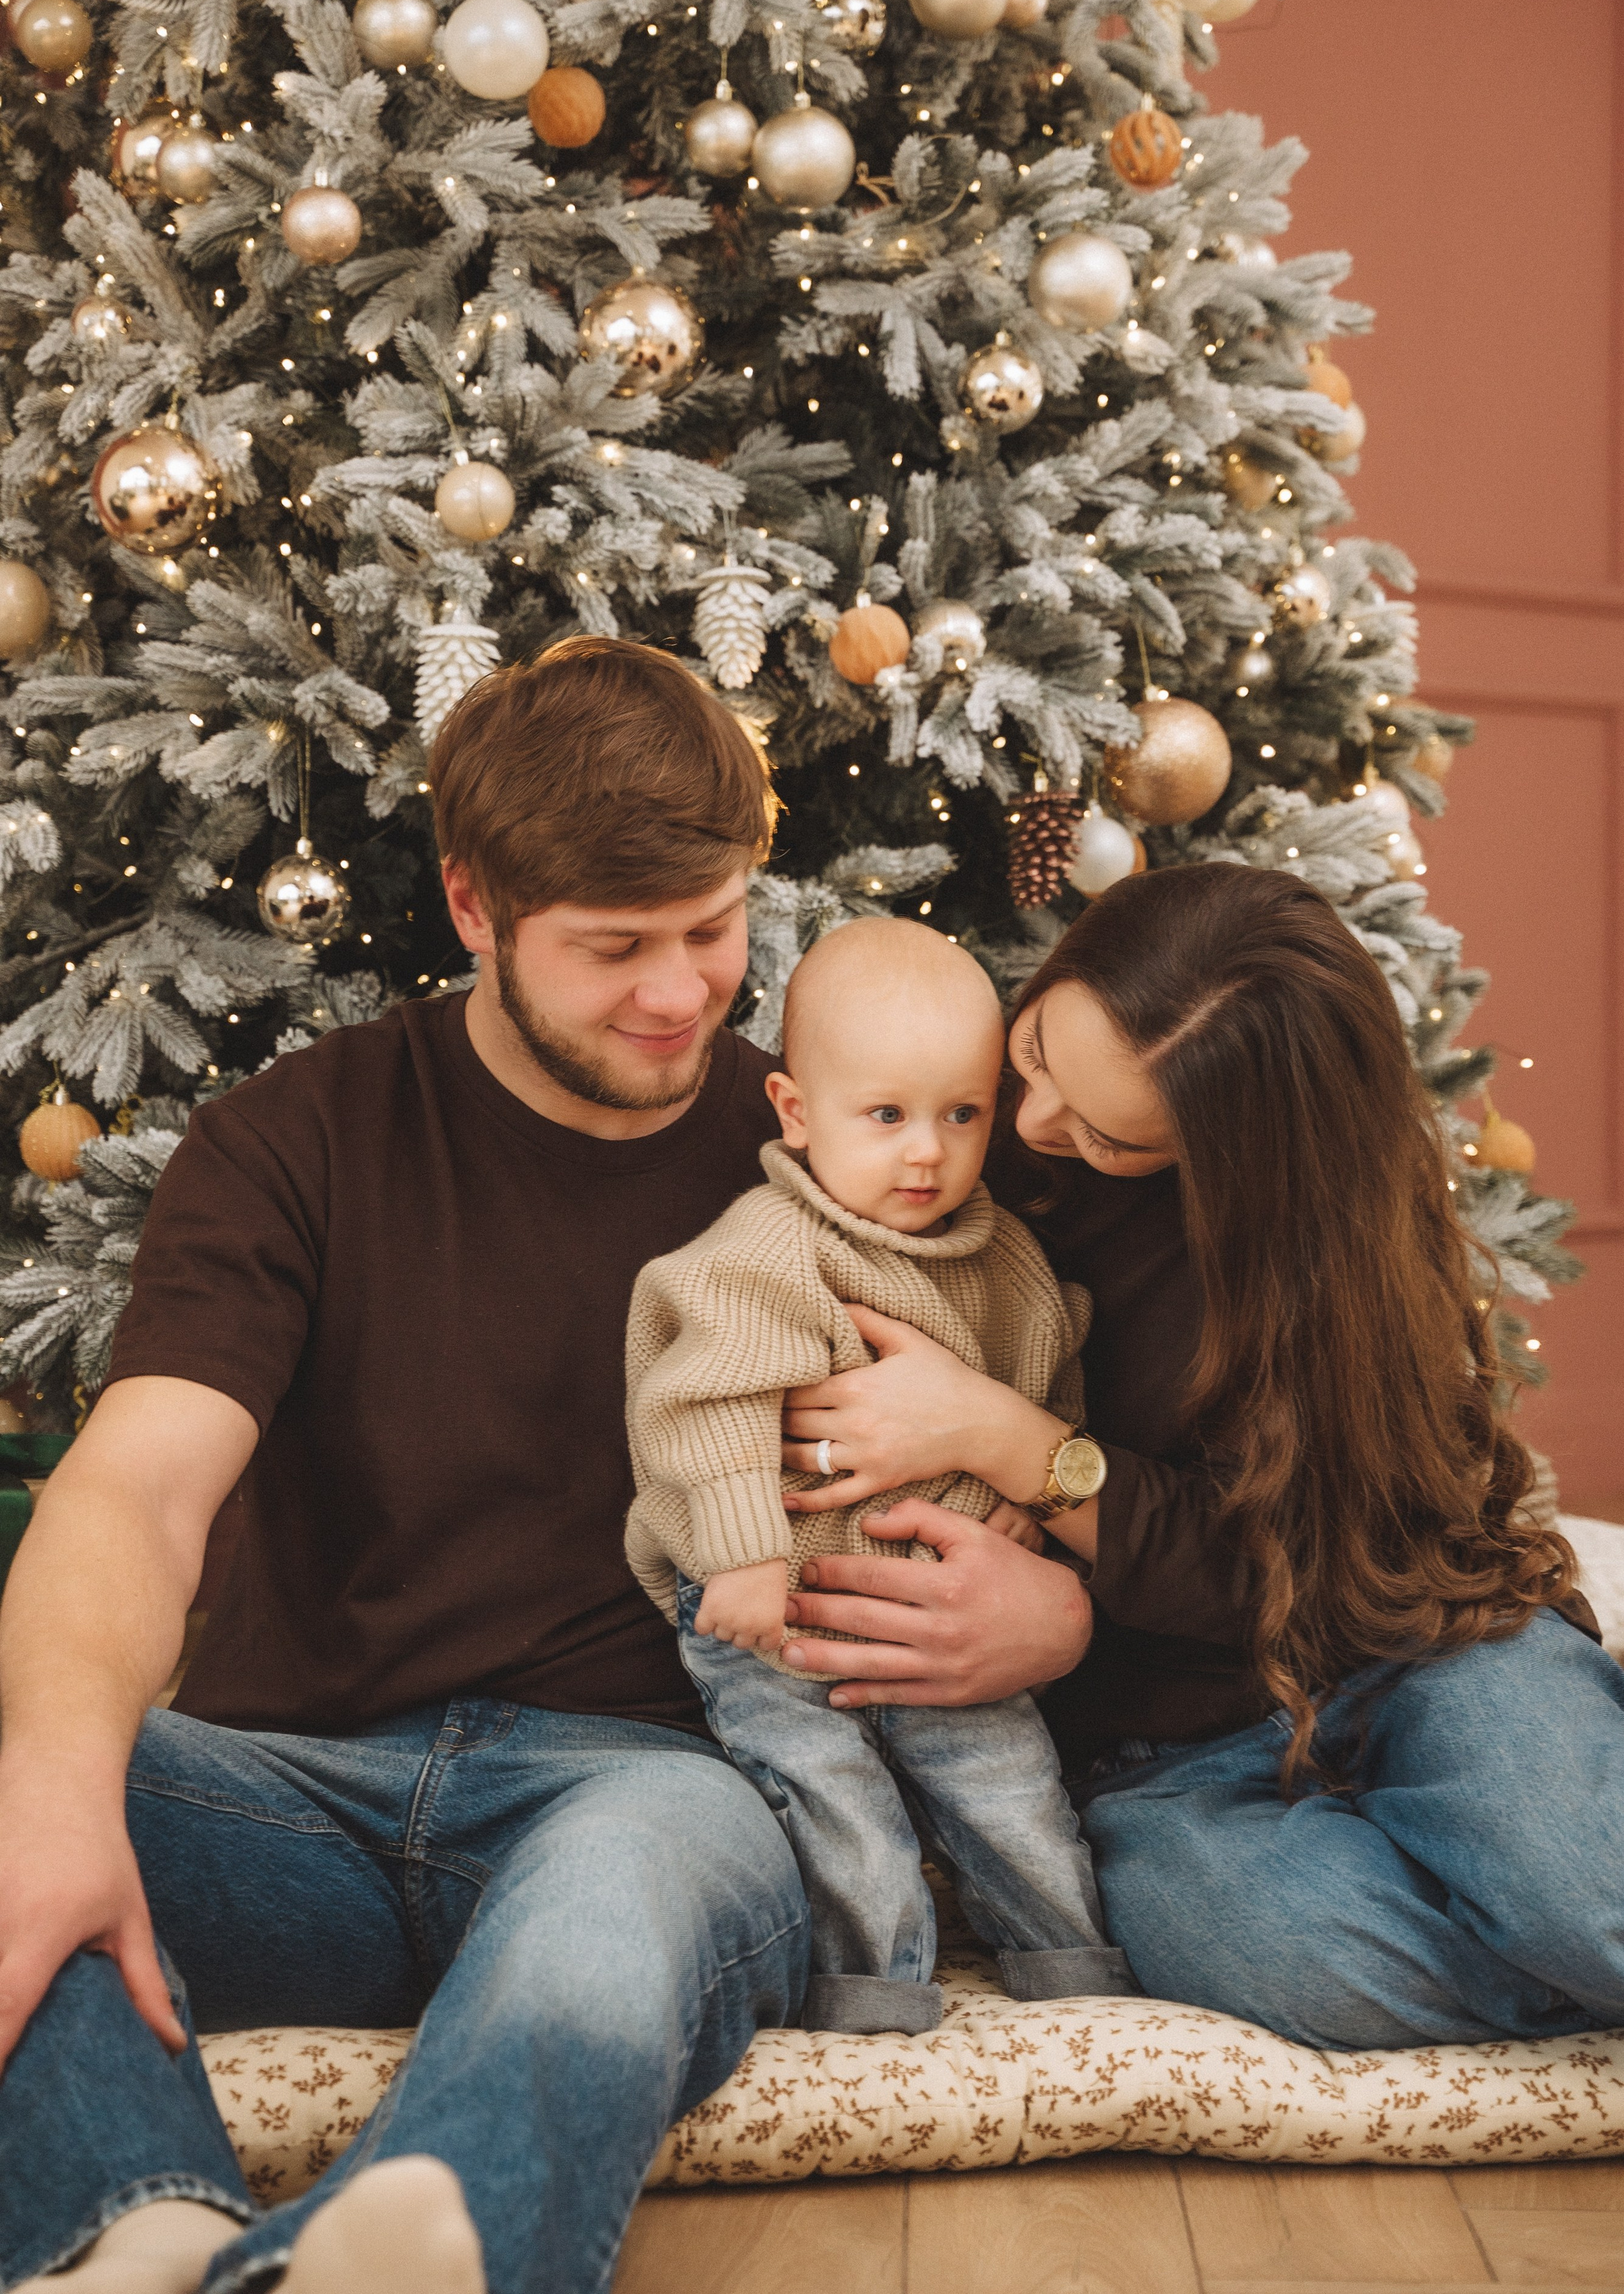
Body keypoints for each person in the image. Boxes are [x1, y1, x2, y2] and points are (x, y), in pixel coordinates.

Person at [0, 639, 811, 2294]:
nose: (678, 992)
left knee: (618, 1902)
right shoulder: (291, 1142)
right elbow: (140, 1487)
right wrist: (63, 1787)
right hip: (299, 1796)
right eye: (612, 948)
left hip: (648, 1785)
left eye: (712, 933)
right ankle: (142, 2236)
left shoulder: (824, 1154)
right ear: (472, 906)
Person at [774, 861, 1624, 2052]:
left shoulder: (1333, 1245)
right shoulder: (941, 1114)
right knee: (1292, 1953)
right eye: (1035, 1060)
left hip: (1413, 1644)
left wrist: (1010, 1440)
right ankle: (1535, 1947)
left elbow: (1308, 1566)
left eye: (1113, 1137)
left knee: (1589, 1899)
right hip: (1159, 1747)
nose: (1027, 1130)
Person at [624, 917, 1131, 2036]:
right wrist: (743, 1556)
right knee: (830, 1793)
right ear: (798, 1114)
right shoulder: (763, 1252)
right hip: (780, 1603)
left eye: (961, 1115)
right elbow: (703, 1407)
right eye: (888, 1116)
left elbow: (1048, 1401)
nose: (927, 1154)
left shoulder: (1007, 1261)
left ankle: (1074, 1974)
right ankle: (872, 1993)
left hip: (947, 1609)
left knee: (1008, 1787)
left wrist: (1019, 1517)